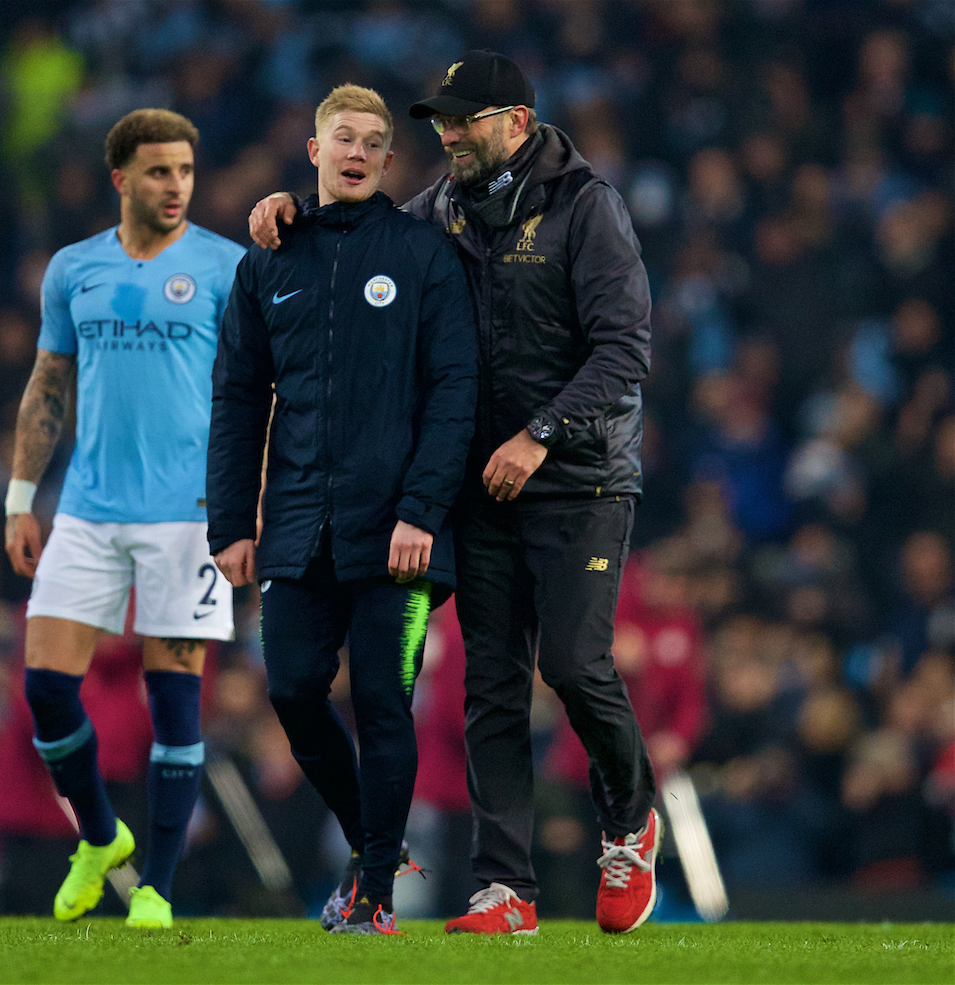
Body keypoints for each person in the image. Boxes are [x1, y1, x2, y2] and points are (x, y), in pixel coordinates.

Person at [249, 51, 658, 935]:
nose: (447, 132)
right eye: (440, 118)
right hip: (482, 486)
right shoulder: (438, 212)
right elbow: (364, 239)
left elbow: (625, 351)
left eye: (465, 118)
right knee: (490, 685)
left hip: (579, 474)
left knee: (574, 666)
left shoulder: (587, 207)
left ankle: (631, 819)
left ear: (516, 121)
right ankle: (503, 888)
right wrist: (292, 211)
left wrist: (539, 433)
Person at [209, 84, 478, 935]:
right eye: (343, 138)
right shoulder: (268, 263)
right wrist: (229, 524)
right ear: (315, 150)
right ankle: (377, 845)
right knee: (291, 691)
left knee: (384, 705)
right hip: (293, 526)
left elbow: (454, 395)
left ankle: (375, 893)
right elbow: (239, 399)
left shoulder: (425, 255)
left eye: (373, 141)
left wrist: (422, 510)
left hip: (399, 532)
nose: (358, 151)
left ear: (389, 161)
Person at [4, 108, 245, 929]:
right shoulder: (74, 269)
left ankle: (158, 889)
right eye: (157, 172)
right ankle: (102, 836)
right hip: (88, 509)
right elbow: (47, 384)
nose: (175, 186)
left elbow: (263, 392)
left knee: (174, 702)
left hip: (191, 515)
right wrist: (18, 498)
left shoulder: (226, 266)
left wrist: (244, 505)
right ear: (121, 179)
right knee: (44, 688)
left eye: (184, 170)